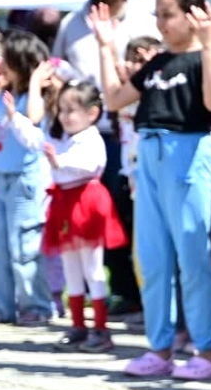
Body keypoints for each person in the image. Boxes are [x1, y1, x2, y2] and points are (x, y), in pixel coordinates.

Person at [97, 0, 211, 380]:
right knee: (152, 260)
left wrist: (209, 45)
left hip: (188, 156)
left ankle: (206, 352)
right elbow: (115, 99)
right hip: (148, 159)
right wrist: (106, 47)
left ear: (192, 16)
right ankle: (160, 348)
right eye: (158, 14)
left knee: (193, 259)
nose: (161, 22)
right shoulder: (156, 63)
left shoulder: (202, 57)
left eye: (168, 14)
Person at [52, 0, 159, 316]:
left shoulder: (145, 24)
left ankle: (143, 294)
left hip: (129, 134)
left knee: (129, 214)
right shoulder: (72, 22)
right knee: (99, 216)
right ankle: (119, 291)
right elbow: (56, 67)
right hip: (84, 134)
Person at [11, 81, 126, 352]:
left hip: (86, 201)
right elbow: (34, 140)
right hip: (65, 202)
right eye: (61, 109)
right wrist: (14, 118)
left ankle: (100, 328)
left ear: (92, 113)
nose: (64, 115)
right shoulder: (62, 137)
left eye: (71, 110)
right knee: (71, 267)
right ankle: (77, 326)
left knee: (92, 268)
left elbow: (90, 163)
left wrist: (59, 162)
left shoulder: (92, 138)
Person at [0, 32, 55, 324]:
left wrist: (34, 83)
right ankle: (1, 307)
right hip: (1, 180)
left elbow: (33, 118)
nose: (1, 66)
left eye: (7, 61)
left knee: (25, 245)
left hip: (25, 179)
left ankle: (37, 307)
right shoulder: (3, 99)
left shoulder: (34, 98)